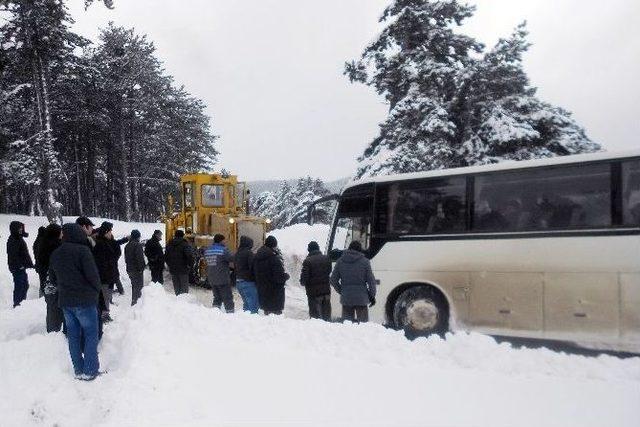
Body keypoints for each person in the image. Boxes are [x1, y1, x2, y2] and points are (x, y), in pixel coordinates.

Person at [49, 223, 102, 381]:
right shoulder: (83, 251)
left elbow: (52, 278)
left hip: (66, 302)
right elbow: (93, 277)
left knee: (73, 336)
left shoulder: (56, 253)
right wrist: (95, 291)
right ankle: (90, 370)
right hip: (85, 301)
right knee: (91, 334)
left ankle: (78, 370)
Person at [330, 241, 377, 323]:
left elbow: (333, 280)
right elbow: (371, 281)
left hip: (346, 298)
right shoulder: (365, 262)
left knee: (348, 325)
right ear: (360, 250)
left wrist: (341, 291)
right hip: (361, 298)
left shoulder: (340, 261)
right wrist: (372, 296)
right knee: (363, 325)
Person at [37, 223, 64, 332]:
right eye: (60, 232)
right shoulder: (54, 246)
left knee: (51, 307)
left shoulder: (44, 243)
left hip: (46, 281)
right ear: (55, 233)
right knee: (54, 308)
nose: (62, 234)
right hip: (52, 281)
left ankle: (52, 329)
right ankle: (53, 332)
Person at [254, 235, 289, 315]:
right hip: (274, 293)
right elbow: (279, 277)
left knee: (268, 317)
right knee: (275, 317)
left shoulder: (257, 257)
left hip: (262, 291)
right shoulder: (273, 259)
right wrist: (286, 276)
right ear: (273, 246)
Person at [93, 222, 121, 321]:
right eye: (109, 232)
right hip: (104, 277)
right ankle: (103, 316)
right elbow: (101, 264)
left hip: (110, 276)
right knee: (105, 297)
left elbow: (116, 252)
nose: (111, 234)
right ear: (105, 232)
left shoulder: (109, 242)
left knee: (108, 296)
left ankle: (105, 314)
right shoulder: (100, 244)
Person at [300, 241, 332, 321]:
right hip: (326, 293)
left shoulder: (307, 261)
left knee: (316, 319)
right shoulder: (327, 258)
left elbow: (304, 278)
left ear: (309, 250)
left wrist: (302, 282)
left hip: (314, 294)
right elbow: (329, 271)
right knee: (327, 317)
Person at [6, 221, 34, 307]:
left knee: (24, 285)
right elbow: (13, 255)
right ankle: (18, 304)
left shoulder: (18, 238)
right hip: (17, 268)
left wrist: (29, 264)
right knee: (20, 286)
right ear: (15, 229)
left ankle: (22, 303)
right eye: (20, 228)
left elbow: (24, 254)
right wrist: (20, 265)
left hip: (21, 267)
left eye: (22, 228)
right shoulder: (13, 240)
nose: (21, 230)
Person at [204, 234, 234, 313]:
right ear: (221, 240)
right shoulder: (223, 250)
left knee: (217, 297)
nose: (225, 242)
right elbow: (232, 258)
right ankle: (231, 314)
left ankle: (215, 313)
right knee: (227, 298)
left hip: (212, 278)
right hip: (223, 278)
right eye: (224, 240)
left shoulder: (207, 250)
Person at [165, 229, 194, 295]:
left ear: (175, 235)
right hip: (183, 269)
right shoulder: (185, 244)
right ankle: (183, 303)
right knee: (184, 290)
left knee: (177, 288)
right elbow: (189, 256)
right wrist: (189, 266)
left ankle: (178, 302)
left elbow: (166, 257)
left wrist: (170, 265)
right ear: (182, 236)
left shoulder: (169, 244)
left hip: (173, 270)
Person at [235, 236, 258, 313]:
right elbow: (253, 267)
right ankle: (253, 322)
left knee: (247, 305)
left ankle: (245, 321)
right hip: (248, 282)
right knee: (253, 306)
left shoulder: (237, 253)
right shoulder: (249, 253)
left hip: (238, 282)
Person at [124, 229, 145, 305]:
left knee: (134, 286)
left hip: (129, 269)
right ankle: (137, 304)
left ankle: (134, 301)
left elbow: (126, 258)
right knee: (139, 287)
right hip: (137, 270)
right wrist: (141, 268)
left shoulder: (127, 245)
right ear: (137, 237)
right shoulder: (138, 245)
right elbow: (139, 258)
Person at [33, 226, 46, 297]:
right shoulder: (43, 242)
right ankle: (42, 297)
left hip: (38, 264)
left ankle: (41, 295)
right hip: (42, 265)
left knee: (41, 281)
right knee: (43, 282)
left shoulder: (36, 241)